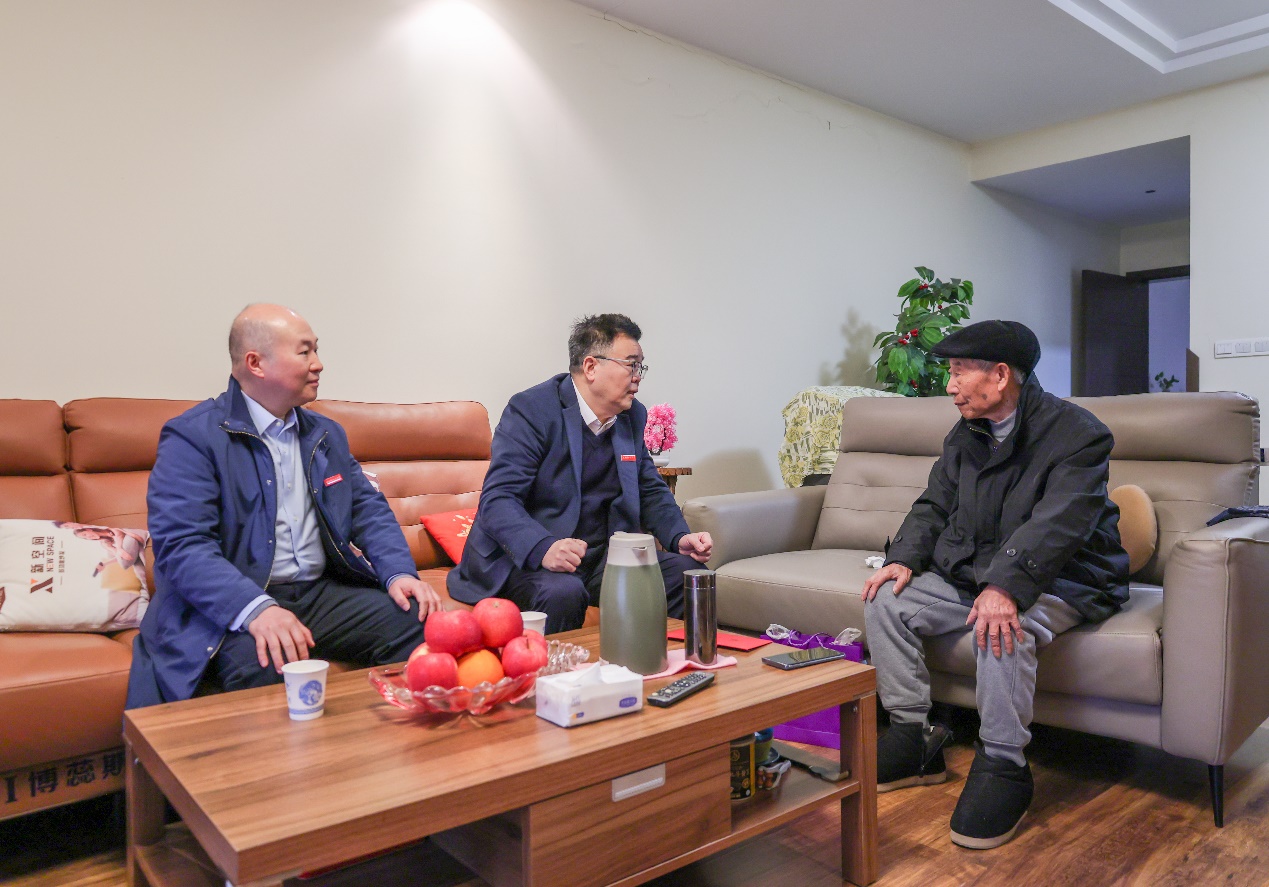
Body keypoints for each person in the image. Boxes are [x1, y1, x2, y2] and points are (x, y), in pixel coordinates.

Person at [861, 319, 1129, 850]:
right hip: (979, 571)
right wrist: (904, 558)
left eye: (959, 371)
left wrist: (1005, 587)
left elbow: (1057, 525)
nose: (950, 386)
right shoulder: (966, 434)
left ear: (1001, 375)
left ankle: (1004, 763)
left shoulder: (1079, 434)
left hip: (1064, 576)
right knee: (885, 599)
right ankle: (914, 736)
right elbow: (934, 503)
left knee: (1001, 626)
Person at [125, 305, 441, 708]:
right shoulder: (193, 437)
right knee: (264, 659)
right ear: (255, 363)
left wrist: (398, 572)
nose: (318, 364)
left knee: (419, 622)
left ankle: (383, 742)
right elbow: (183, 546)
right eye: (304, 352)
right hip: (235, 600)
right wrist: (255, 609)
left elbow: (367, 508)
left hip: (318, 593)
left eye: (316, 350)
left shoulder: (325, 434)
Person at [448, 313, 712, 634]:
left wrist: (679, 537)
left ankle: (665, 662)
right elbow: (498, 500)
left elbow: (649, 488)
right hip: (529, 560)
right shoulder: (532, 410)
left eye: (641, 367)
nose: (638, 377)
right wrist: (543, 547)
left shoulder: (631, 416)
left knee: (687, 575)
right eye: (631, 365)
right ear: (591, 367)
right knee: (563, 592)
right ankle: (559, 669)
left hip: (602, 560)